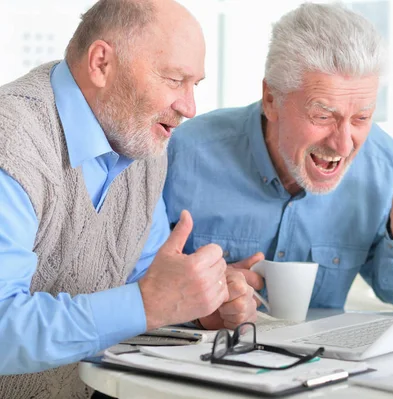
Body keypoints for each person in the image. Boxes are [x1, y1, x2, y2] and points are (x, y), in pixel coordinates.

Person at [0, 1, 255, 398]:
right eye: (174, 79)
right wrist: (147, 302)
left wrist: (197, 309)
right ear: (101, 63)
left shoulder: (141, 143)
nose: (189, 107)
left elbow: (144, 284)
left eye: (195, 85)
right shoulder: (11, 144)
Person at [163, 3, 393, 312]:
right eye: (323, 116)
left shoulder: (385, 166)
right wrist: (197, 290)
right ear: (272, 100)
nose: (342, 145)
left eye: (361, 118)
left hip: (326, 360)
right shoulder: (180, 155)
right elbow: (132, 285)